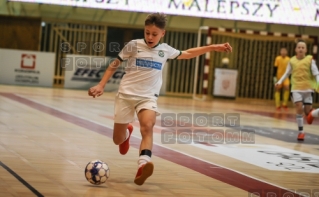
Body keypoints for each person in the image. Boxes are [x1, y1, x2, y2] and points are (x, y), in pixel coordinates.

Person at [88, 13, 232, 185]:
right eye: (147, 32)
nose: (149, 37)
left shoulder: (165, 50)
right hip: (126, 95)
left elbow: (188, 53)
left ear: (162, 34)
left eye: (154, 34)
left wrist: (213, 47)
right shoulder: (134, 45)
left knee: (147, 126)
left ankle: (143, 164)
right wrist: (101, 85)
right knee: (117, 139)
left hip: (147, 98)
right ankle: (126, 134)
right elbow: (115, 63)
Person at [275, 40, 319, 141]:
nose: (300, 49)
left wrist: (318, 83)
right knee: (299, 106)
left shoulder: (310, 60)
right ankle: (301, 132)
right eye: (299, 47)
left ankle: (311, 114)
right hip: (296, 88)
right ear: (295, 49)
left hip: (308, 89)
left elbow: (316, 73)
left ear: (306, 50)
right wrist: (280, 82)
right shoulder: (292, 61)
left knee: (307, 112)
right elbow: (287, 73)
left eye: (303, 47)